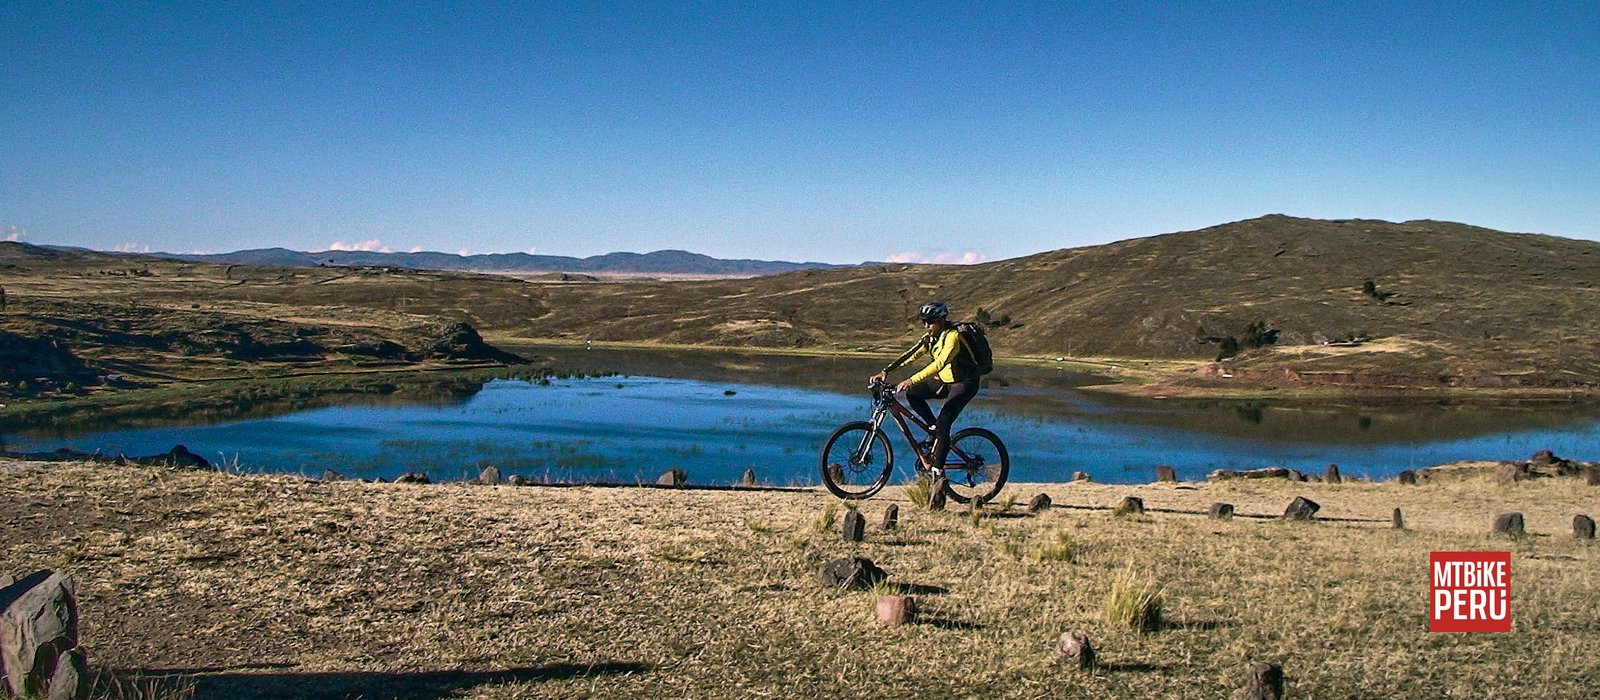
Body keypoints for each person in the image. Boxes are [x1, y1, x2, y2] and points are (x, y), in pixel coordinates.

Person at [870, 301, 981, 472]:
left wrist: (911, 380)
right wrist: (887, 371)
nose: (926, 326)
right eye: (923, 322)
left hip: (964, 384)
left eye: (929, 322)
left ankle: (938, 473)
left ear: (941, 320)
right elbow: (911, 355)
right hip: (945, 381)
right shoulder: (930, 339)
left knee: (944, 422)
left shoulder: (952, 337)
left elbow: (939, 363)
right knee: (914, 394)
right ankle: (933, 429)